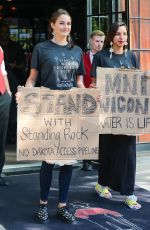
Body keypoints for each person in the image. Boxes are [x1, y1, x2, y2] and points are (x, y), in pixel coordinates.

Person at [16, 9, 85, 223]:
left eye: (69, 24)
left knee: (67, 162)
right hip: (48, 110)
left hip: (71, 110)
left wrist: (90, 96)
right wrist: (24, 93)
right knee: (48, 160)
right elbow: (32, 78)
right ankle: (43, 204)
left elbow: (80, 82)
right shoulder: (41, 48)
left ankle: (62, 205)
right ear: (53, 25)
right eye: (62, 23)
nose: (66, 27)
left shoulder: (78, 51)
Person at [90, 22, 142, 210]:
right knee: (107, 150)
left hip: (128, 114)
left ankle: (129, 193)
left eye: (125, 34)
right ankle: (101, 184)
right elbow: (94, 85)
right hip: (107, 113)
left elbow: (138, 84)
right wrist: (96, 91)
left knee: (129, 154)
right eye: (118, 34)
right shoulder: (101, 57)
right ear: (111, 36)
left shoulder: (132, 57)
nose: (122, 37)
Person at [82, 30, 105, 171]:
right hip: (85, 97)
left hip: (102, 99)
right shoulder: (82, 57)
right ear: (91, 41)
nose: (99, 44)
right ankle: (87, 161)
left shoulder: (107, 58)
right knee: (87, 129)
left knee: (101, 130)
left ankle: (100, 158)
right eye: (97, 41)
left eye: (102, 41)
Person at [0, 22, 26, 144]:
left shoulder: (15, 46)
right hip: (2, 83)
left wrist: (15, 65)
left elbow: (23, 64)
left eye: (6, 32)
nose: (4, 34)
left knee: (14, 110)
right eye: (3, 31)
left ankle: (12, 135)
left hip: (14, 81)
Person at [0, 46, 12, 186]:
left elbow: (3, 72)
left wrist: (8, 91)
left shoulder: (0, 49)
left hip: (2, 95)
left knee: (1, 135)